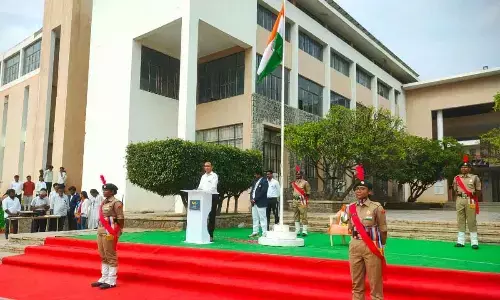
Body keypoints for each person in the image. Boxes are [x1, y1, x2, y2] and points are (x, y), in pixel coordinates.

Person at [347, 165, 387, 300]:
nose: (359, 191)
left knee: (375, 282)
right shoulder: (351, 207)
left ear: (369, 192)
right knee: (356, 282)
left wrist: (381, 247)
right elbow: (350, 227)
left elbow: (383, 229)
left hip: (372, 246)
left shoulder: (376, 207)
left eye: (362, 188)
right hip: (355, 245)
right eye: (357, 188)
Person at [91, 183, 124, 289]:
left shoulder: (116, 203)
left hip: (110, 231)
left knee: (110, 255)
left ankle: (112, 280)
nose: (104, 192)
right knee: (102, 254)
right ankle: (104, 277)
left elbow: (120, 218)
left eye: (107, 190)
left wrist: (117, 230)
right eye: (103, 190)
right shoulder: (103, 202)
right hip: (101, 230)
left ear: (112, 192)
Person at [453, 155, 481, 249]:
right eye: (462, 167)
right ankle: (460, 241)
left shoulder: (474, 178)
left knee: (471, 220)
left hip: (470, 200)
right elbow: (455, 190)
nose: (464, 168)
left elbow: (478, 190)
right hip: (460, 200)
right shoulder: (456, 178)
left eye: (466, 167)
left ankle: (474, 242)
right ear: (460, 169)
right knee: (460, 220)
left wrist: (473, 198)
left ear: (469, 168)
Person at [198, 161, 219, 242]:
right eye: (205, 166)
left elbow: (213, 187)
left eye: (208, 166)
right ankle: (202, 233)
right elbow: (200, 187)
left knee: (211, 216)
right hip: (203, 197)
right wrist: (197, 191)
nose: (206, 167)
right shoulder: (203, 176)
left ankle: (210, 235)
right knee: (203, 216)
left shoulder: (214, 176)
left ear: (211, 167)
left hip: (212, 196)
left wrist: (205, 192)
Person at [291, 167, 311, 236]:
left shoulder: (305, 183)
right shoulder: (293, 183)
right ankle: (297, 230)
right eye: (296, 174)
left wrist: (305, 200)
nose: (297, 175)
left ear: (302, 175)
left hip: (302, 200)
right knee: (296, 215)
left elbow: (308, 193)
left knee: (303, 215)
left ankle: (304, 230)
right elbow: (293, 191)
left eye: (299, 174)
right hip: (295, 200)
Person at [249, 170, 269, 237]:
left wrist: (255, 199)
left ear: (259, 175)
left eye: (256, 175)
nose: (255, 176)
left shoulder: (264, 181)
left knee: (262, 218)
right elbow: (252, 191)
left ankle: (264, 233)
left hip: (260, 202)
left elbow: (263, 192)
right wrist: (251, 199)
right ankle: (255, 232)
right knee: (255, 218)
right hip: (254, 203)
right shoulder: (255, 181)